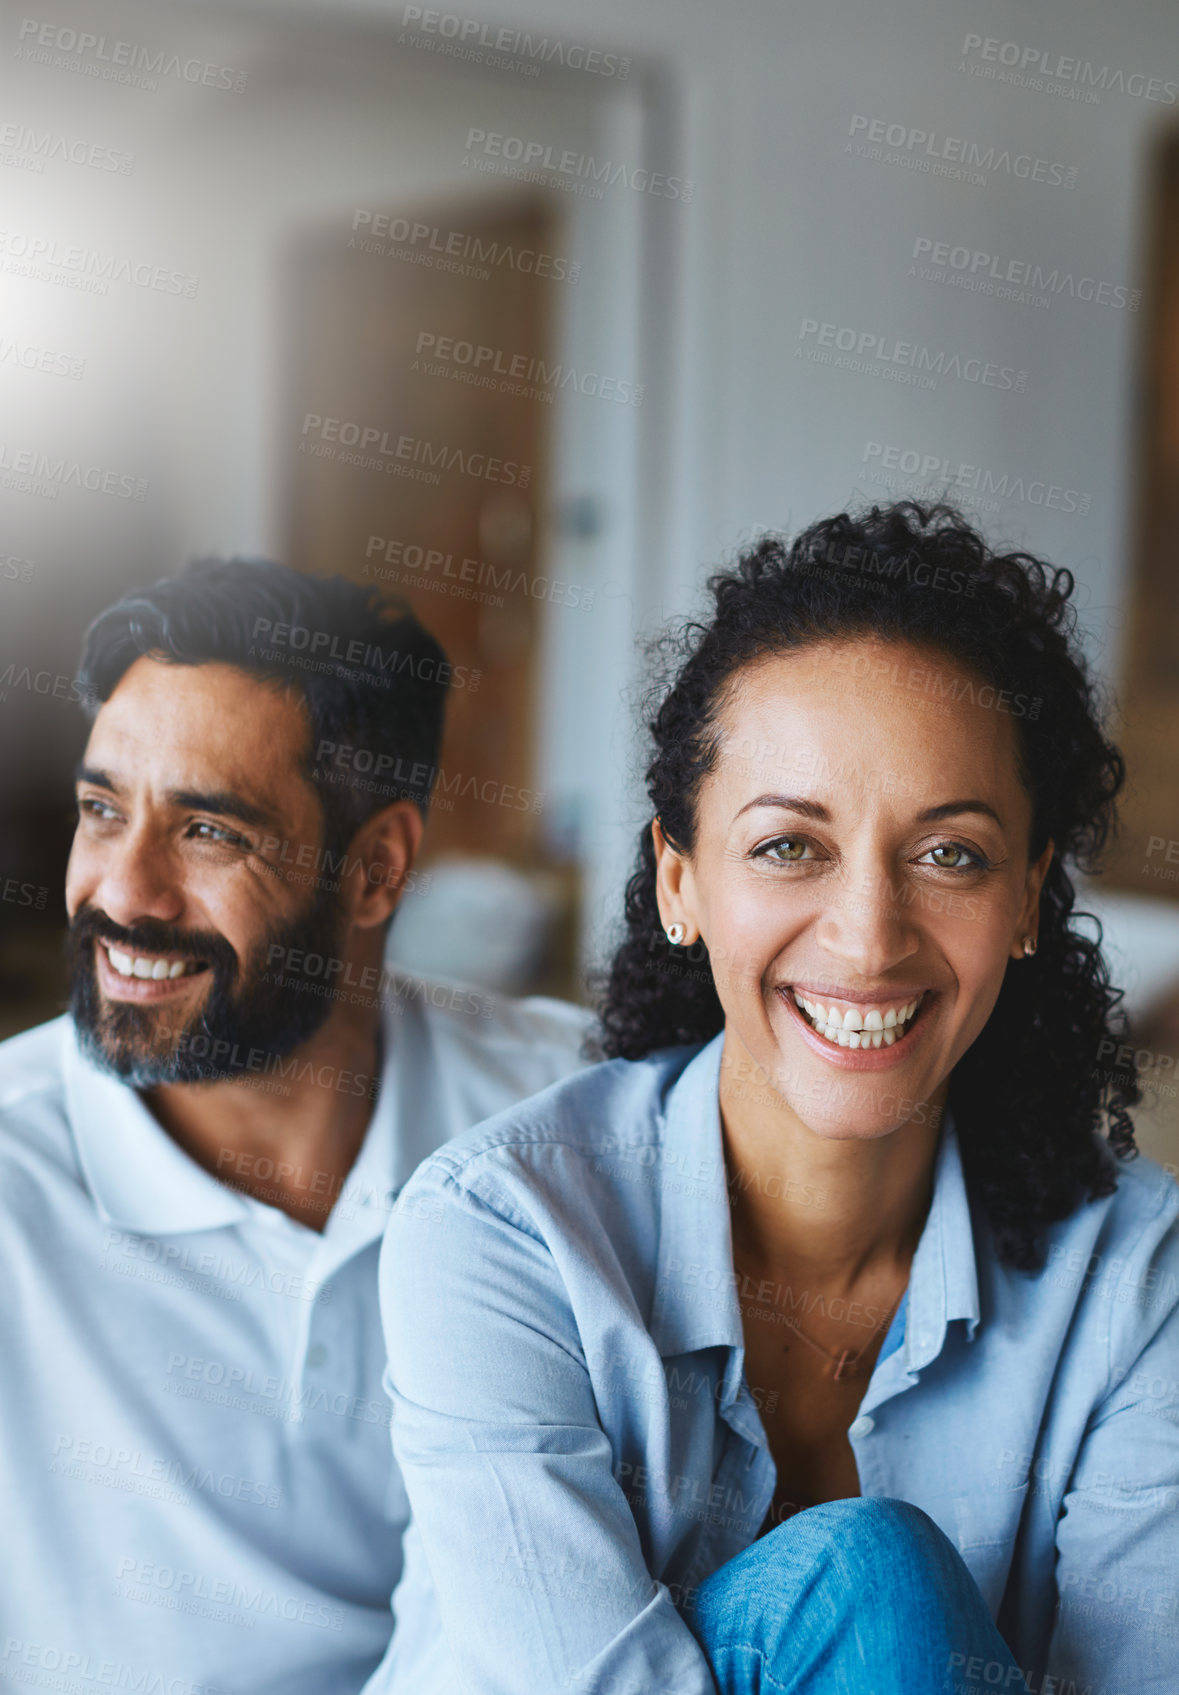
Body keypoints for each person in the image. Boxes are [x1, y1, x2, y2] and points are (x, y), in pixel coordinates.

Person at [370, 501, 1179, 1695]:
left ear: (1026, 900)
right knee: (871, 1582)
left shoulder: (1133, 1274)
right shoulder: (500, 1231)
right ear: (680, 880)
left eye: (949, 852)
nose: (867, 938)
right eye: (790, 847)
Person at [0, 559, 590, 1695]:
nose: (124, 893)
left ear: (378, 869)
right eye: (100, 811)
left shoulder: (574, 1114)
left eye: (208, 832)